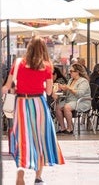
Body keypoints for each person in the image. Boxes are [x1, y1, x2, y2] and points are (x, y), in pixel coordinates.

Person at [1, 36, 65, 185]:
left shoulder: (18, 63)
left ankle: (20, 172)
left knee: (23, 138)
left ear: (28, 48)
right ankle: (38, 177)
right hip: (39, 104)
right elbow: (49, 91)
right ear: (44, 49)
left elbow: (7, 86)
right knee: (41, 139)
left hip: (22, 104)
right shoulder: (47, 66)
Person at [55, 63, 91, 134]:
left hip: (81, 101)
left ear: (77, 72)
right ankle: (63, 128)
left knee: (67, 107)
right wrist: (63, 88)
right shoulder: (71, 80)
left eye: (71, 71)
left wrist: (68, 88)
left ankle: (70, 128)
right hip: (70, 100)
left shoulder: (83, 81)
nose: (70, 73)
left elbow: (80, 94)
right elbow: (68, 91)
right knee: (58, 107)